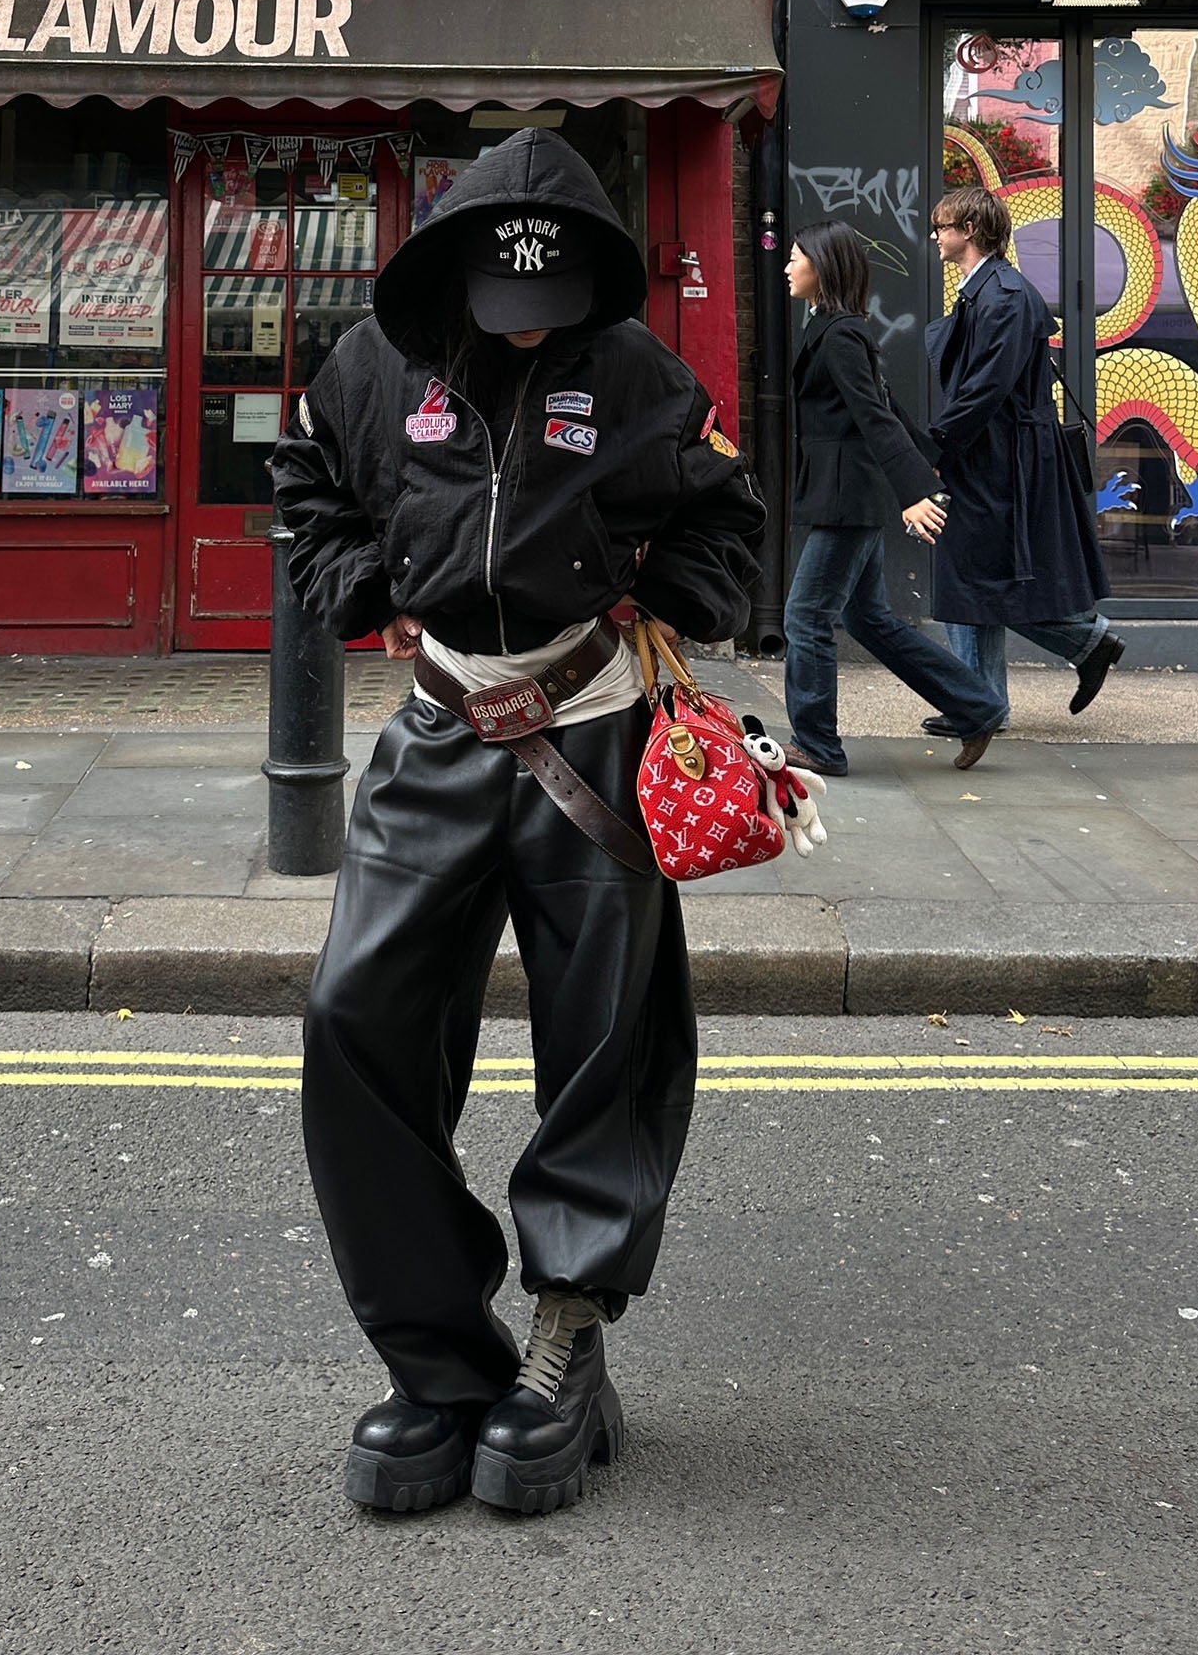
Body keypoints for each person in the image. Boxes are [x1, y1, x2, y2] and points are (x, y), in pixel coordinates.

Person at [271, 128, 765, 1519]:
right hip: (439, 728)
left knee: (607, 1033)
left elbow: (728, 513)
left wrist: (676, 604)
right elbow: (306, 490)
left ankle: (566, 1338)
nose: (529, 320)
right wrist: (358, 584)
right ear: (459, 273)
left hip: (594, 732)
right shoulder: (376, 367)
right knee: (357, 1016)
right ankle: (435, 1360)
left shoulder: (638, 377)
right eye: (505, 296)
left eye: (552, 294)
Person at [781, 219, 1007, 777]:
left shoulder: (840, 334)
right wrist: (927, 462)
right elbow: (887, 408)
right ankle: (976, 706)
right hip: (846, 492)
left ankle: (817, 746)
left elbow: (874, 415)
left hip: (846, 497)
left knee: (805, 617)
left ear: (823, 266)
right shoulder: (835, 328)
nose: (787, 266)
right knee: (868, 619)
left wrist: (915, 490)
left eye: (795, 257)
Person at [923, 184, 1122, 735]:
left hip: (999, 456)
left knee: (970, 575)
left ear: (969, 231)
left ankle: (999, 691)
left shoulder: (1004, 295)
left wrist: (937, 445)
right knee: (973, 574)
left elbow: (986, 386)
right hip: (988, 452)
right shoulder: (984, 289)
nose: (934, 235)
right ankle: (987, 700)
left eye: (941, 226)